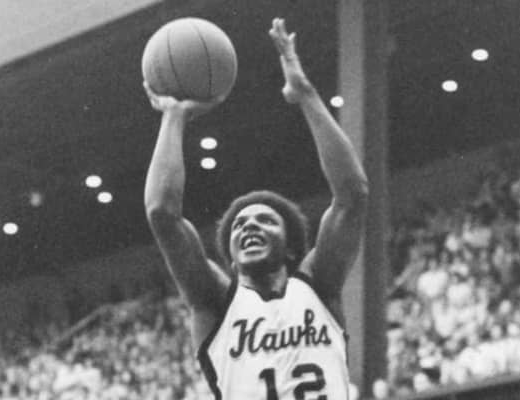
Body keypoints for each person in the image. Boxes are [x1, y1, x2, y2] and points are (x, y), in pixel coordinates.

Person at [143, 18, 368, 399]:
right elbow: (162, 214)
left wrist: (306, 94)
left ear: (293, 249)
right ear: (230, 260)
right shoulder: (216, 302)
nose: (249, 226)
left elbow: (353, 196)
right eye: (240, 225)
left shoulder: (318, 286)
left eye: (266, 220)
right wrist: (174, 116)